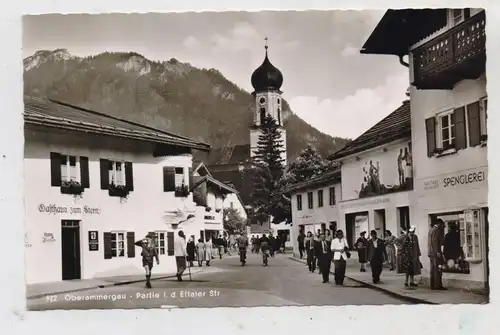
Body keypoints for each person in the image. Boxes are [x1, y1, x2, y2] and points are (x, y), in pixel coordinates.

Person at [429, 219, 446, 290]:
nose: (441, 226)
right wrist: (438, 252)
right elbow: (435, 242)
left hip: (431, 252)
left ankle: (432, 285)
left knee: (433, 269)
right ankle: (438, 285)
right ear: (438, 223)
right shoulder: (436, 230)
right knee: (438, 269)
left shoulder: (431, 230)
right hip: (436, 253)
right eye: (441, 224)